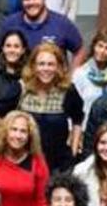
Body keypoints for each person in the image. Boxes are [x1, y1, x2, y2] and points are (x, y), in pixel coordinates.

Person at [18, 42, 84, 173]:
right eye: (41, 64)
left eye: (50, 64)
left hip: (58, 165)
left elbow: (78, 119)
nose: (46, 69)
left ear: (58, 67)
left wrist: (73, 150)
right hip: (25, 163)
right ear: (33, 66)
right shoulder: (22, 89)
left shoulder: (67, 90)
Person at [0, 0, 84, 64]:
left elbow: (79, 50)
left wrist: (72, 76)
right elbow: (0, 53)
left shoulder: (62, 24)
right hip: (20, 77)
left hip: (55, 77)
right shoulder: (10, 24)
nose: (31, 2)